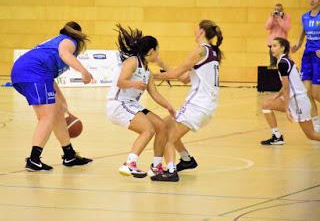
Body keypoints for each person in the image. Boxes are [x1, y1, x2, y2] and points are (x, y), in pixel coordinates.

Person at [11, 21, 94, 171]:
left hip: (29, 73)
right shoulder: (69, 41)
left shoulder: (54, 43)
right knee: (47, 117)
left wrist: (64, 106)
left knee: (56, 114)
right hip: (33, 73)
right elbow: (65, 53)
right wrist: (84, 72)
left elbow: (52, 83)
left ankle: (69, 155)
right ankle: (33, 159)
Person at [151, 20, 223, 182]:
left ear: (202, 31)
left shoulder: (199, 51)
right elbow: (183, 78)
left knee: (168, 137)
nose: (194, 30)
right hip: (205, 106)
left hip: (197, 105)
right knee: (165, 125)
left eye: (196, 27)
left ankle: (170, 171)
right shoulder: (211, 52)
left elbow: (175, 75)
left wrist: (151, 76)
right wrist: (161, 63)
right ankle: (186, 159)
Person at [106, 24, 176, 178]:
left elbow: (155, 94)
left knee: (162, 126)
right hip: (118, 104)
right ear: (151, 51)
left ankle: (156, 166)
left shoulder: (147, 70)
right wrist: (133, 84)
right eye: (157, 49)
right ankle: (129, 164)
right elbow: (120, 82)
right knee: (148, 129)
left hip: (132, 104)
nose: (158, 52)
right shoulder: (132, 62)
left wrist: (170, 107)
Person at [260, 37, 320, 145]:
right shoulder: (285, 61)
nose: (272, 48)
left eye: (275, 46)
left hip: (299, 102)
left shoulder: (283, 63)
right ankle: (277, 137)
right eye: (271, 46)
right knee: (266, 105)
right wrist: (277, 96)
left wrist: (287, 109)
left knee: (311, 135)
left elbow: (287, 88)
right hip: (295, 100)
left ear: (282, 48)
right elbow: (288, 85)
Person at [291, 0, 320, 133]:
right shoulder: (305, 17)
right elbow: (302, 37)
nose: (312, 0)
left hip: (318, 57)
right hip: (307, 56)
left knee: (316, 94)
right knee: (306, 91)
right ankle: (316, 122)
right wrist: (296, 46)